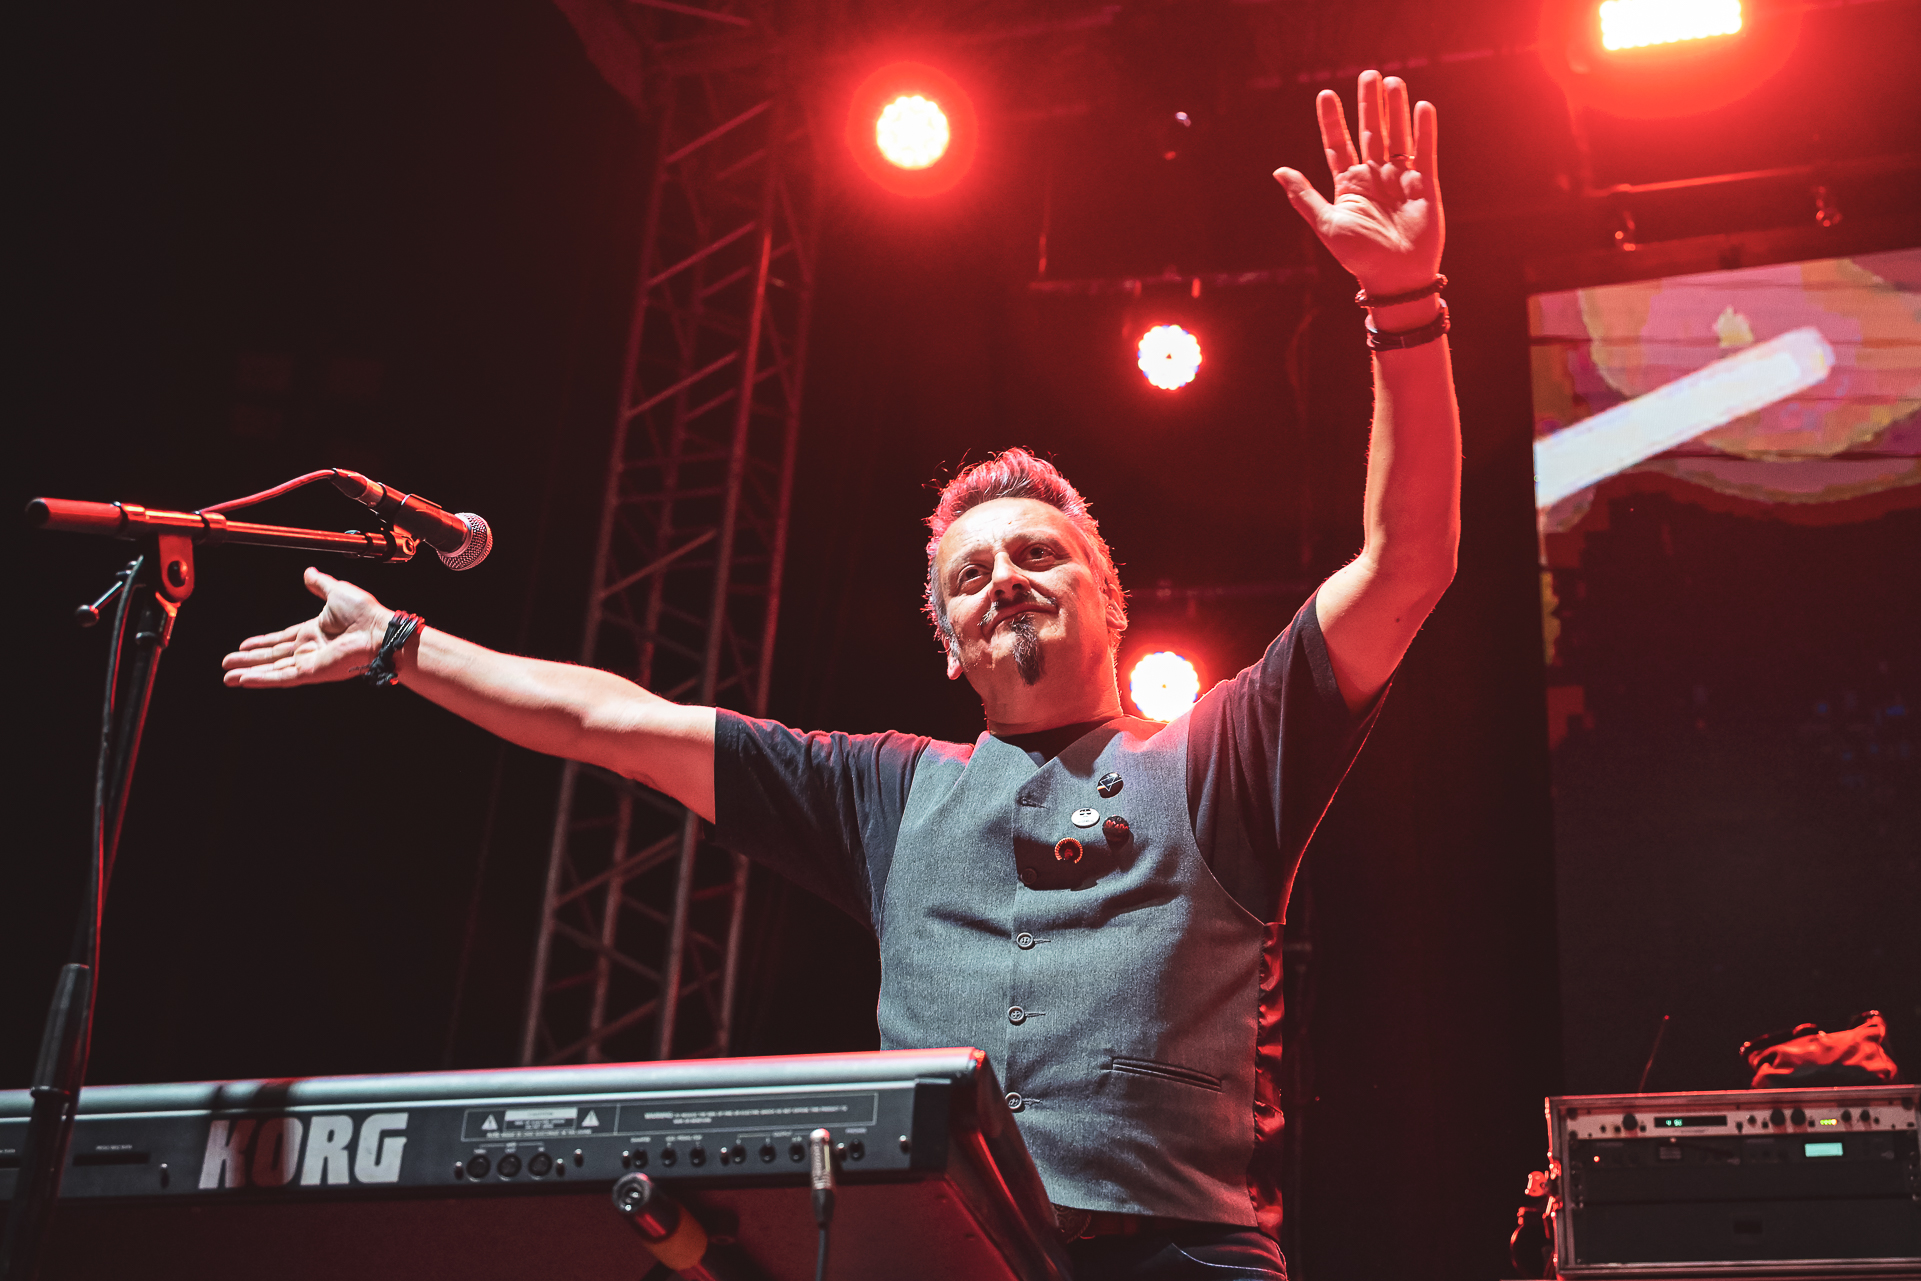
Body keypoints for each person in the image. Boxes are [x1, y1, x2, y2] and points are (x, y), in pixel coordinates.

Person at [224, 71, 1458, 1281]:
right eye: (970, 576)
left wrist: (1404, 304)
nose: (1005, 580)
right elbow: (615, 722)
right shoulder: (885, 794)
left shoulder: (1222, 756)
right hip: (941, 1257)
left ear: (1110, 599)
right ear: (947, 642)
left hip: (1182, 1258)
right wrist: (403, 645)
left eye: (1039, 555)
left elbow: (1405, 562)